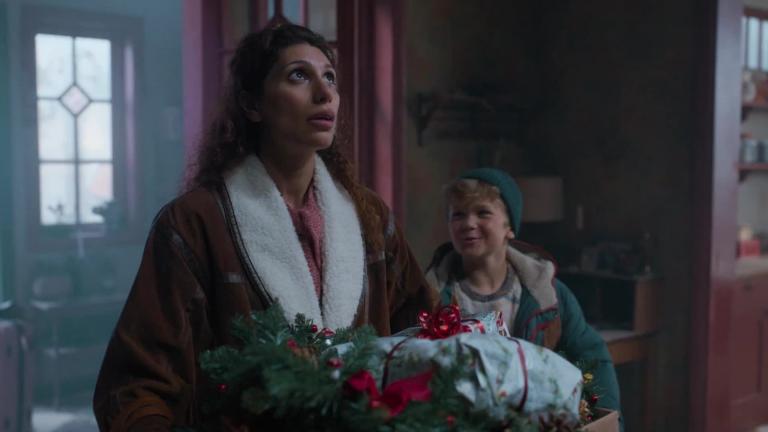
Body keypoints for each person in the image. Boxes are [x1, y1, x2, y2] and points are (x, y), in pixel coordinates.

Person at [93, 24, 435, 432]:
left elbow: (426, 336)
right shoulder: (193, 223)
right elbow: (135, 385)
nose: (325, 93)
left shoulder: (369, 217)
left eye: (329, 77)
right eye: (298, 75)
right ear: (252, 104)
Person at [426, 168, 622, 423]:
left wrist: (608, 423)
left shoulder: (548, 295)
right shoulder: (430, 297)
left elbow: (592, 356)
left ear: (509, 227)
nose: (469, 224)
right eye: (458, 214)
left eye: (483, 212)